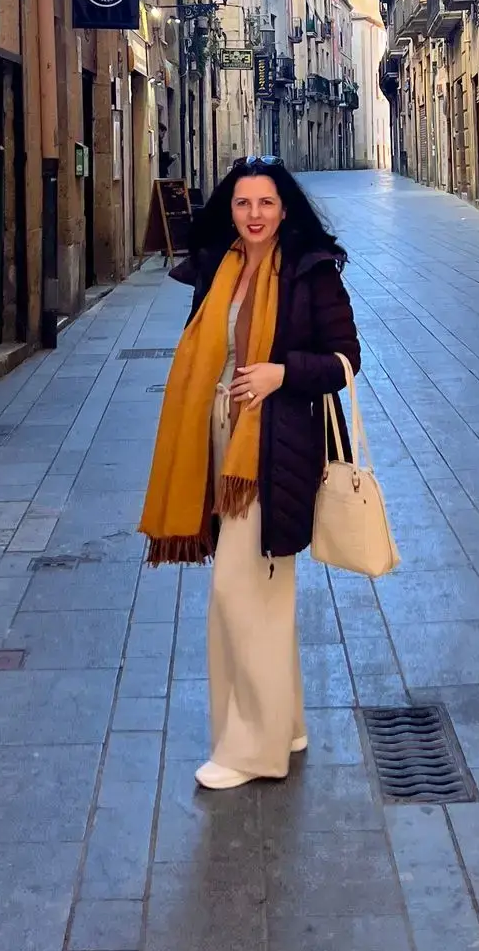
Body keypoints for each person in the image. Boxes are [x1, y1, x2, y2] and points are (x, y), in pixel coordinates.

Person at [138, 157, 360, 790]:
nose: (255, 214)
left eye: (265, 203)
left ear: (285, 208)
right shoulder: (221, 268)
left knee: (238, 593)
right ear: (230, 209)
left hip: (275, 447)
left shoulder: (310, 272)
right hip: (219, 443)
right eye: (243, 204)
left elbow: (346, 360)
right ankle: (283, 726)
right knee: (264, 594)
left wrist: (279, 373)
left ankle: (249, 750)